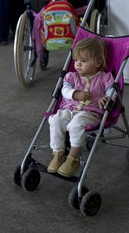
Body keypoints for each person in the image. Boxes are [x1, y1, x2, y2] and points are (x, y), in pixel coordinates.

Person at [47, 36, 115, 177]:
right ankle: (58, 153)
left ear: (97, 62)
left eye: (83, 61)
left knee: (75, 126)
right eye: (76, 60)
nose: (78, 64)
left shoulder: (104, 77)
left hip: (91, 113)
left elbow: (112, 91)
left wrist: (108, 98)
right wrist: (75, 94)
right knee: (55, 120)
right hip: (69, 109)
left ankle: (73, 158)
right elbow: (64, 91)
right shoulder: (72, 76)